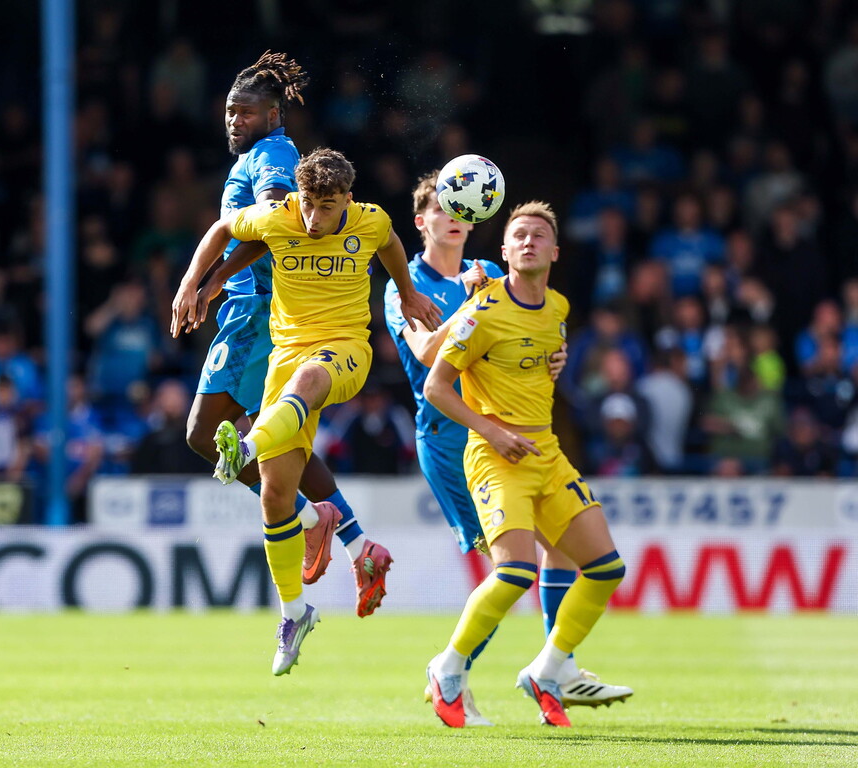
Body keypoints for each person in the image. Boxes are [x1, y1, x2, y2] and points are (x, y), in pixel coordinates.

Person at [173, 147, 441, 676]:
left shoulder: (368, 220)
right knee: (275, 495)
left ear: (348, 198)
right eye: (309, 205)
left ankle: (245, 446)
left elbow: (390, 241)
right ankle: (295, 613)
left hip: (344, 351)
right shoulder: (278, 216)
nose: (315, 218)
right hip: (286, 358)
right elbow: (222, 229)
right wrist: (193, 282)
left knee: (308, 380)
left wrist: (407, 293)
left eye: (328, 206)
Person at [384, 173, 631, 726]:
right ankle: (453, 674)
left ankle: (557, 666)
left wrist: (556, 355)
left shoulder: (496, 276)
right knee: (508, 570)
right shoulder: (411, 285)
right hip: (454, 439)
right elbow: (427, 357)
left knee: (565, 553)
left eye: (461, 208)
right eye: (442, 208)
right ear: (421, 222)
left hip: (530, 442)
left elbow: (534, 328)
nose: (453, 217)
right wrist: (471, 305)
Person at [170, 52, 394, 619]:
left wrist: (210, 281)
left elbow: (274, 225)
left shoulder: (272, 156)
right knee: (279, 445)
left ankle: (315, 519)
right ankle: (354, 541)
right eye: (229, 111)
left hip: (259, 311)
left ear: (273, 115)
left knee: (205, 432)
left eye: (245, 113)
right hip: (258, 311)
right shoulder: (257, 154)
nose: (234, 121)